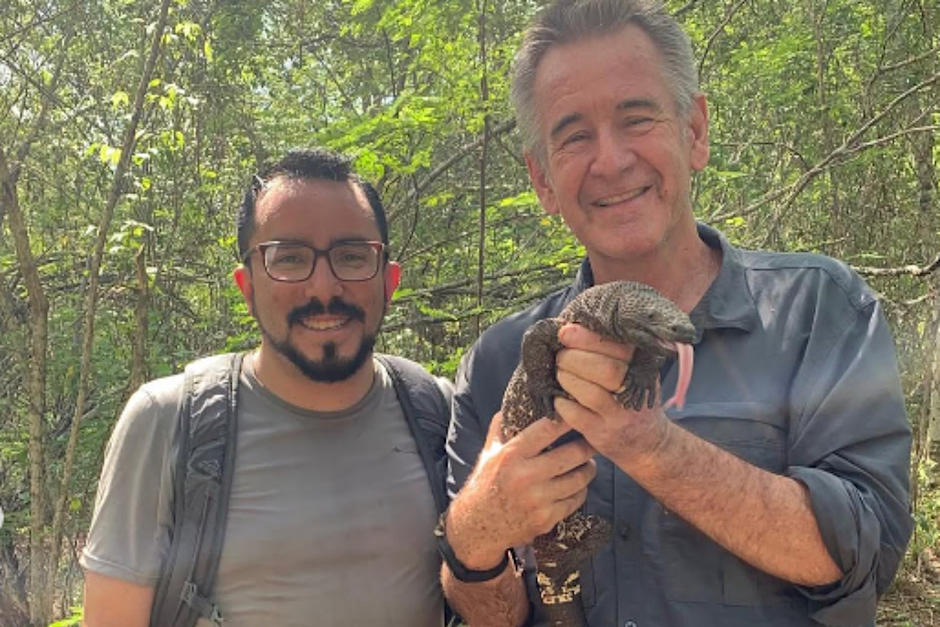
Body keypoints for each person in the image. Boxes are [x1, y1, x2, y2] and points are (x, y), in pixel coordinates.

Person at [439, 1, 913, 626]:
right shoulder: (502, 360)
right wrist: (475, 537)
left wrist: (651, 448)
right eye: (575, 135)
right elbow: (484, 614)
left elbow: (867, 554)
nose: (610, 160)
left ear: (695, 131)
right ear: (542, 179)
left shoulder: (819, 310)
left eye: (637, 118)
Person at [81, 148, 451, 627]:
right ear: (247, 286)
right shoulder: (168, 421)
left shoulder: (437, 412)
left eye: (352, 256)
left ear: (389, 281)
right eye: (290, 258)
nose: (323, 287)